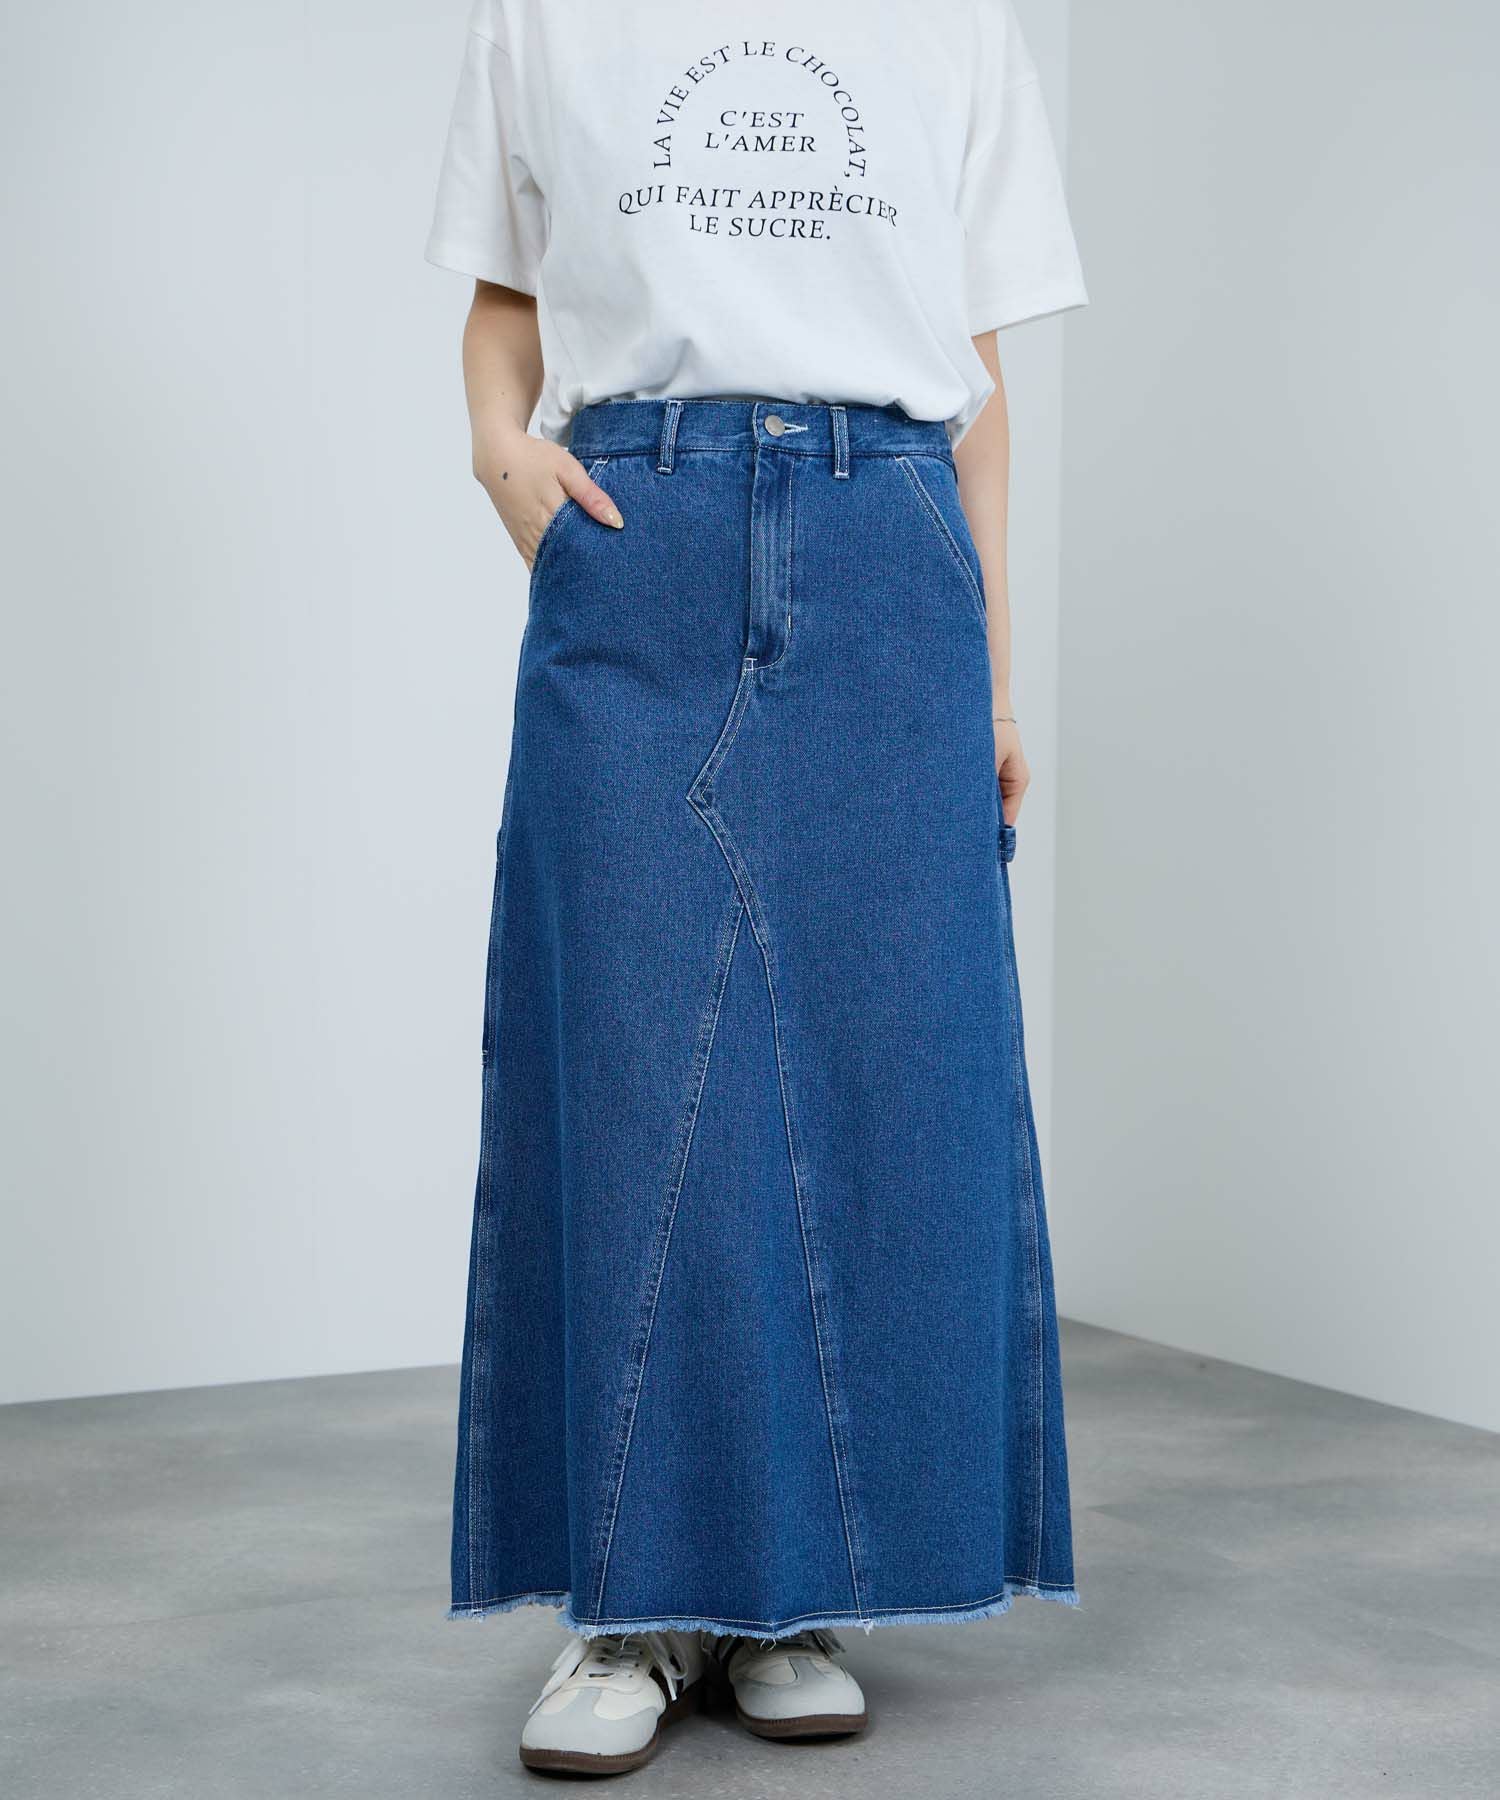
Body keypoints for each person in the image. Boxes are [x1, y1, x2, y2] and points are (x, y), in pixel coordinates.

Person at [425, 0, 1087, 1775]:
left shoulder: (955, 25)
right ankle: (629, 1605)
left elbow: (977, 373)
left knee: (885, 1078)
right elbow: (502, 300)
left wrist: (996, 683)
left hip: (887, 542)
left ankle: (790, 1594)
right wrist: (505, 459)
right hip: (638, 535)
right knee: (631, 1071)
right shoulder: (544, 14)